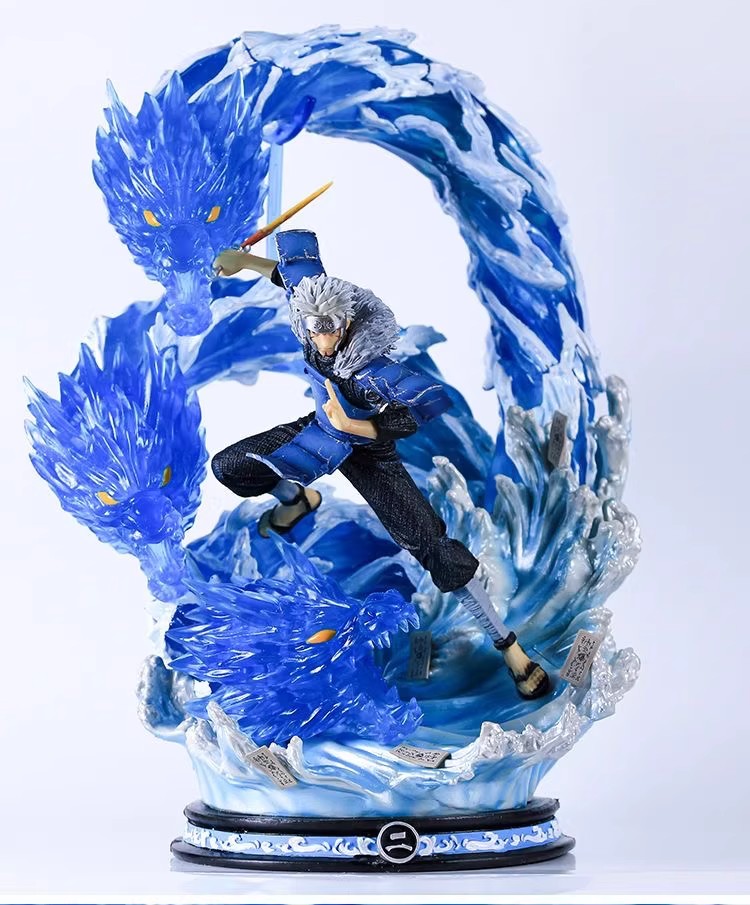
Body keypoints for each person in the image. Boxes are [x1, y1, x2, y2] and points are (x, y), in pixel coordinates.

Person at [212, 230, 549, 699]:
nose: (320, 340)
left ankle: (510, 649)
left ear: (347, 323)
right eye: (313, 330)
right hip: (320, 433)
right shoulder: (312, 309)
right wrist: (242, 260)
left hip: (368, 452)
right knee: (231, 466)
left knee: (435, 549)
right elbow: (289, 275)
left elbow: (427, 405)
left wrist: (358, 427)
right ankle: (298, 500)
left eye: (329, 330)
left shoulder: (374, 368)